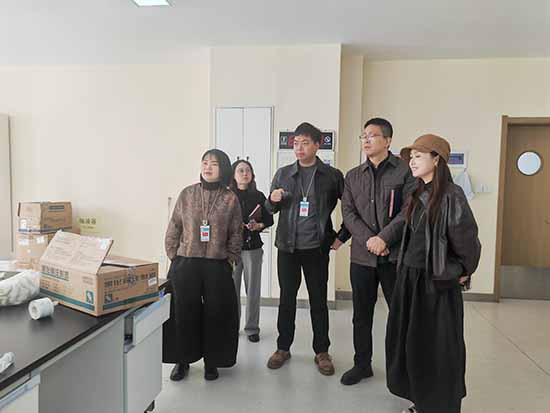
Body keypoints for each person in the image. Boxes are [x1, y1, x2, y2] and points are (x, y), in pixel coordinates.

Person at [386, 134, 481, 413]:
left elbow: (468, 243)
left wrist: (462, 270)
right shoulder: (417, 193)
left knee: (439, 349)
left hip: (435, 284)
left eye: (419, 156)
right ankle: (423, 401)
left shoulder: (452, 195)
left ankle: (441, 406)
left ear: (436, 159)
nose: (412, 162)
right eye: (411, 157)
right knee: (414, 345)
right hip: (410, 280)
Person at [265, 122, 350, 376]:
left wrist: (342, 236)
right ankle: (283, 348)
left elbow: (352, 208)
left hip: (317, 248)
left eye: (304, 143)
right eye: (295, 143)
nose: (299, 148)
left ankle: (322, 351)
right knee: (286, 299)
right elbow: (269, 210)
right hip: (287, 247)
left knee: (318, 301)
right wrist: (271, 200)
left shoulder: (332, 175)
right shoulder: (283, 174)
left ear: (317, 144)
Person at [340, 118, 416, 385]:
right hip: (362, 257)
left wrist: (384, 238)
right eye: (363, 136)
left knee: (399, 315)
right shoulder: (352, 176)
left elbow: (409, 210)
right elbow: (348, 213)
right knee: (361, 315)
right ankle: (362, 365)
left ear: (388, 140)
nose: (366, 140)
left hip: (394, 257)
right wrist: (370, 240)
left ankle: (401, 369)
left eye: (372, 135)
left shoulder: (405, 172)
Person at [163, 149, 242, 382]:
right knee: (183, 312)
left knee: (216, 313)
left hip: (217, 264)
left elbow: (236, 232)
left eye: (214, 164)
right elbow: (174, 226)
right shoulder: (187, 194)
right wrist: (174, 255)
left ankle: (212, 361)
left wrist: (230, 258)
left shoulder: (230, 198)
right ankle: (182, 360)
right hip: (186, 262)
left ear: (223, 168)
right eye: (205, 162)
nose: (208, 167)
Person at [230, 159, 274, 343]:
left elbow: (269, 219)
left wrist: (259, 225)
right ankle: (232, 326)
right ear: (233, 175)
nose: (244, 174)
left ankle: (252, 328)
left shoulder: (259, 195)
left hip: (253, 248)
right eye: (240, 170)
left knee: (253, 290)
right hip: (231, 249)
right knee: (231, 291)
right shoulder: (227, 196)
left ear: (252, 174)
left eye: (247, 170)